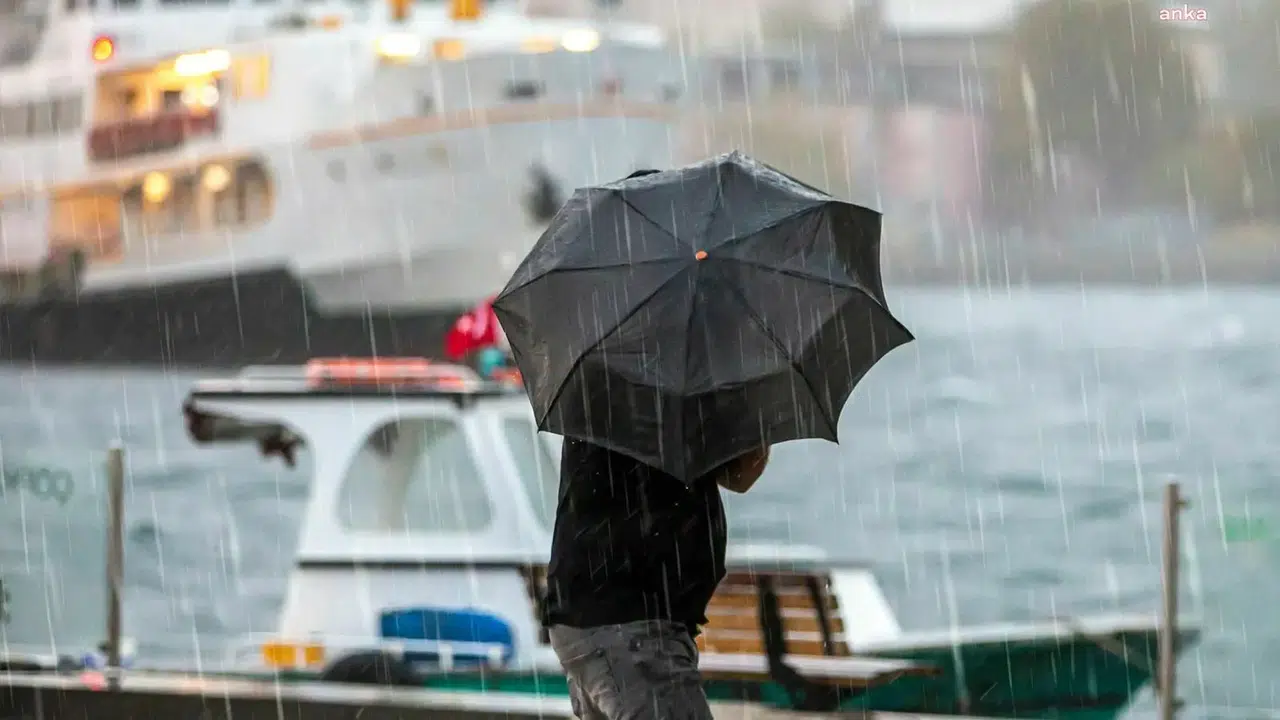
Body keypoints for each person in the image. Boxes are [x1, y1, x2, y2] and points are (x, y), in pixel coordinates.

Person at [544, 441, 771, 720]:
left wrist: (753, 421)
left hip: (608, 618)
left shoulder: (662, 412)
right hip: (628, 623)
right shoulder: (652, 406)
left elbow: (739, 475)